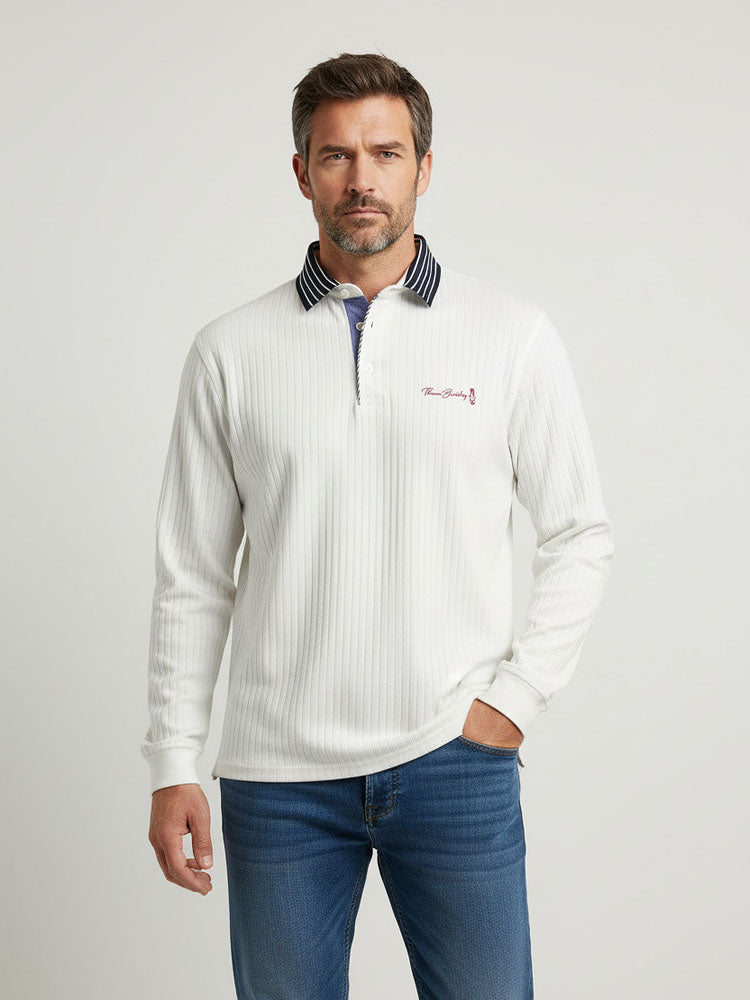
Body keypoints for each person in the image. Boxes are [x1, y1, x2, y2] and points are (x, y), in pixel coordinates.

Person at [142, 51, 614, 1000]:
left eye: (386, 153)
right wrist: (172, 761)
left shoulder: (510, 335)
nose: (362, 179)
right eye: (336, 156)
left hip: (454, 760)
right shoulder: (230, 352)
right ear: (302, 172)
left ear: (424, 167)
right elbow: (193, 573)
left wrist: (514, 700)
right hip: (277, 780)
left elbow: (579, 534)